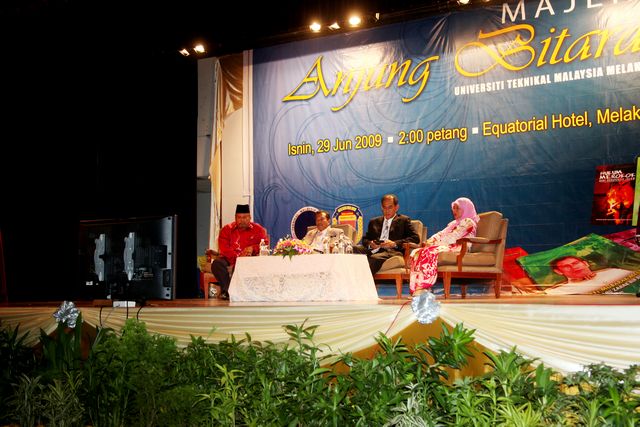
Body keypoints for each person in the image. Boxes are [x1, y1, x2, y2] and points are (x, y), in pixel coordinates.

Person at [409, 197, 479, 296]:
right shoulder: (453, 223)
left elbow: (454, 237)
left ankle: (424, 286)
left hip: (459, 247)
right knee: (417, 251)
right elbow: (440, 234)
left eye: (457, 208)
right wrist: (431, 240)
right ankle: (418, 287)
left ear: (465, 208)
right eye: (453, 208)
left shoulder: (468, 222)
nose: (454, 211)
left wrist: (434, 244)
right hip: (446, 245)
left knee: (430, 251)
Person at [208, 204, 268, 300]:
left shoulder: (258, 229)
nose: (242, 220)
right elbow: (224, 249)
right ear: (235, 218)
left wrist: (253, 248)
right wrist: (237, 259)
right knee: (216, 264)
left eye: (245, 217)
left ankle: (237, 292)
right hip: (230, 258)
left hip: (249, 260)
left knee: (243, 264)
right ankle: (228, 291)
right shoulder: (226, 229)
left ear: (250, 217)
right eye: (239, 217)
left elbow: (265, 244)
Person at [361, 194, 420, 274]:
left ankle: (361, 280)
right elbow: (365, 239)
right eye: (384, 207)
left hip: (392, 251)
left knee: (373, 258)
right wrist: (370, 244)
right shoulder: (374, 222)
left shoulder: (404, 220)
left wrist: (394, 244)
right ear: (381, 208)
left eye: (390, 207)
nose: (387, 210)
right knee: (353, 249)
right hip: (374, 250)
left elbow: (415, 238)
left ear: (396, 207)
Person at [544, 255, 639, 295]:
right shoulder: (559, 291)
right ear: (559, 272)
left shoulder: (613, 272)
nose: (573, 267)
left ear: (585, 263)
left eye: (575, 263)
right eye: (566, 266)